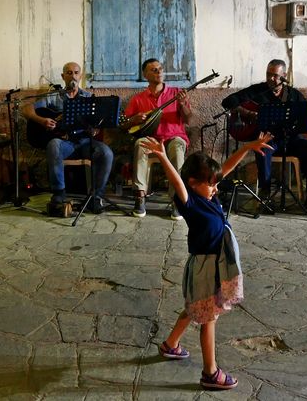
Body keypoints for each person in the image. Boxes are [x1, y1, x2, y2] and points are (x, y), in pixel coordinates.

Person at [141, 132, 273, 391]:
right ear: (193, 183)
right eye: (210, 184)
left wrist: (247, 146)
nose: (215, 189)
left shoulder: (208, 193)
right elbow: (177, 181)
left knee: (195, 306)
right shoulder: (189, 202)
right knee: (208, 316)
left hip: (216, 262)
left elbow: (226, 168)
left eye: (215, 184)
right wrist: (163, 157)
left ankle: (170, 345)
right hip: (204, 266)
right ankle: (210, 373)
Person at [221, 59, 307, 209]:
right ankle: (265, 194)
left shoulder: (294, 95)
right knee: (263, 148)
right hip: (268, 139)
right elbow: (228, 101)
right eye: (268, 74)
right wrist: (247, 113)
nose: (271, 79)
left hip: (291, 140)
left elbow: (304, 125)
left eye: (275, 76)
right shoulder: (258, 90)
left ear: (284, 76)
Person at [22, 62, 114, 213]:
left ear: (80, 75)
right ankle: (59, 193)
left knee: (106, 153)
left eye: (76, 72)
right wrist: (42, 120)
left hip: (84, 142)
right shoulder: (53, 97)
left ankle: (96, 197)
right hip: (65, 144)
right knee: (53, 145)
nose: (73, 76)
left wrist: (95, 129)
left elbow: (95, 124)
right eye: (69, 73)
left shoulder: (89, 98)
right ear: (63, 76)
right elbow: (26, 109)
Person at [123, 58, 192, 219]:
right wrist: (134, 120)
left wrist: (182, 105)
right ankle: (140, 196)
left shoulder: (176, 93)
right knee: (140, 144)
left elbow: (189, 121)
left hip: (174, 137)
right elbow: (124, 125)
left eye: (160, 68)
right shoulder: (138, 99)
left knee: (176, 147)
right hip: (152, 139)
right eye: (153, 69)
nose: (159, 71)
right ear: (145, 75)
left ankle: (177, 199)